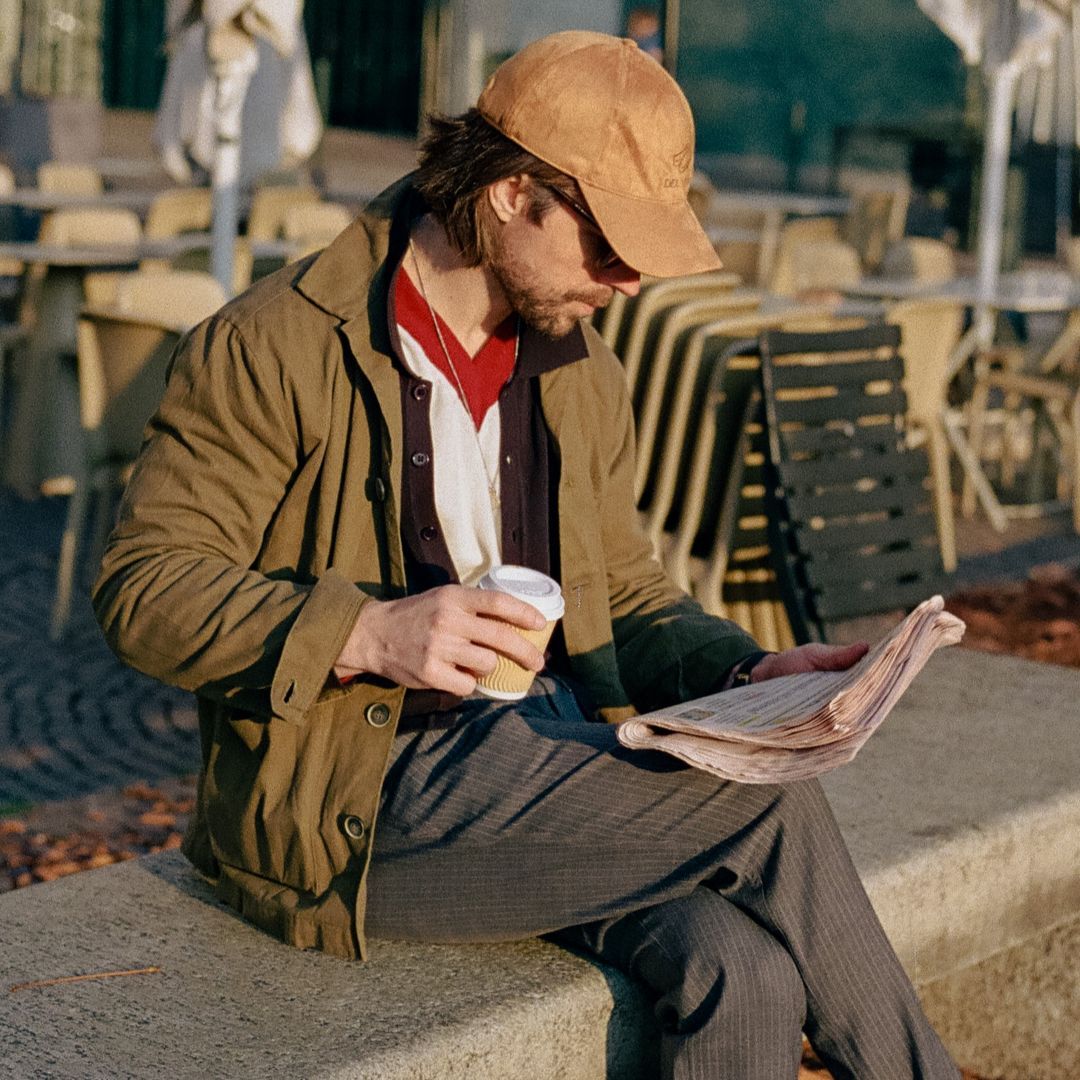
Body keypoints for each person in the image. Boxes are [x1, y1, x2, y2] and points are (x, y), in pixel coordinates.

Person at [94, 30, 959, 1079]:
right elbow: (143, 587)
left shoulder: (576, 364)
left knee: (743, 973)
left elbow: (623, 591)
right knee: (767, 800)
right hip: (366, 792)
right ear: (512, 193)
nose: (627, 282)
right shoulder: (274, 344)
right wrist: (370, 632)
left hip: (555, 753)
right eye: (610, 245)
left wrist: (746, 675)